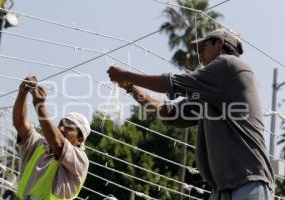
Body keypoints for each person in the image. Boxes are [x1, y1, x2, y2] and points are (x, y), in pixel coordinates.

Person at [107, 28, 274, 200]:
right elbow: (167, 112)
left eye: (203, 46)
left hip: (248, 182)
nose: (199, 53)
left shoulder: (229, 64)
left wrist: (124, 74)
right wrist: (131, 88)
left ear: (220, 44)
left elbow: (170, 84)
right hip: (225, 188)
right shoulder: (210, 92)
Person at [13, 76, 90, 200]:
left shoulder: (80, 160)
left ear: (79, 140)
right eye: (60, 125)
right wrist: (22, 93)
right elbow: (20, 124)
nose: (61, 129)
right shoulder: (39, 145)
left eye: (69, 128)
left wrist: (40, 106)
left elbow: (58, 142)